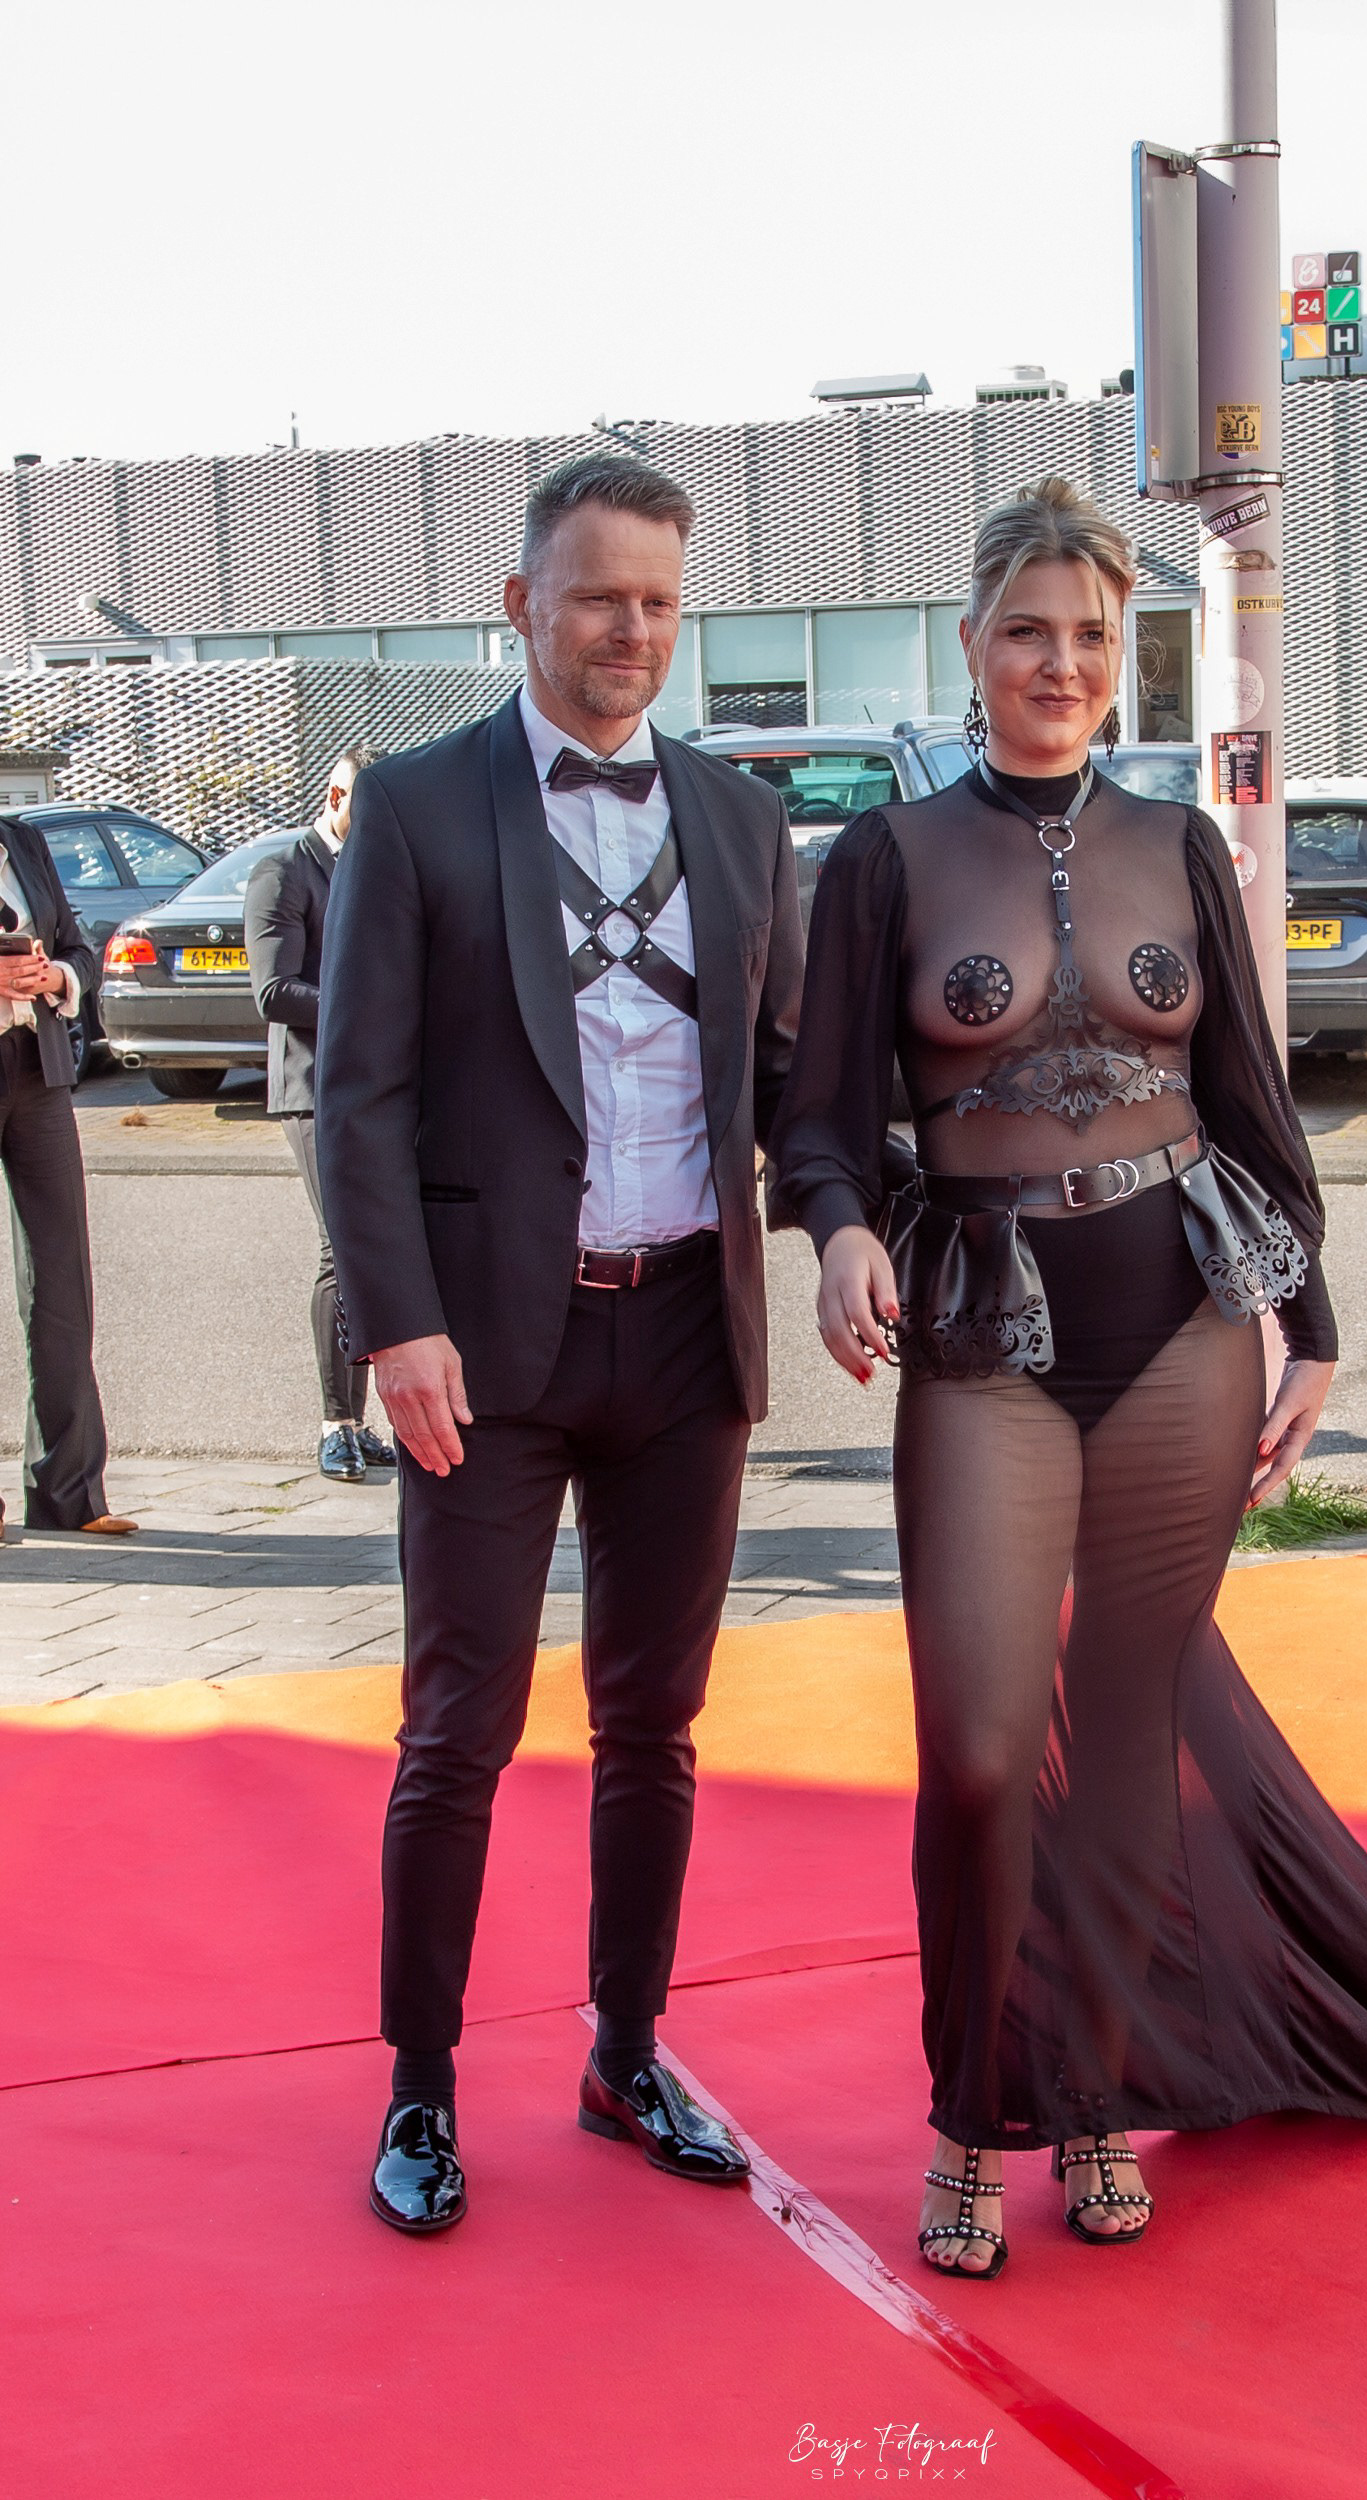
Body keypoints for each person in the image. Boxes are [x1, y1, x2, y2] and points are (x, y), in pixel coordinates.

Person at [769, 477, 1367, 2283]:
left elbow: (1248, 1105)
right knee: (979, 1754)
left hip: (1182, 1326)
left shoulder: (1179, 843)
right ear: (969, 643)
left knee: (1125, 1743)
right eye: (1027, 631)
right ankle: (969, 2112)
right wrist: (836, 1233)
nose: (1059, 664)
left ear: (1124, 656)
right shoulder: (881, 861)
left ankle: (1092, 2095)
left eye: (1092, 636)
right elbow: (814, 1123)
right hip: (981, 1340)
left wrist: (1313, 1326)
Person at [316, 453, 804, 2235]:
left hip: (683, 1333)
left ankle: (626, 2052)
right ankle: (421, 2087)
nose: (630, 631)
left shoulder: (742, 821)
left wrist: (858, 1223)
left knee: (653, 1724)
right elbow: (357, 1099)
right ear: (523, 605)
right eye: (598, 596)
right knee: (457, 1728)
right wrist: (399, 1326)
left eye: (660, 601)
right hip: (484, 1350)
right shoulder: (419, 807)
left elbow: (790, 1080)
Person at [244, 746, 397, 1483]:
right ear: (336, 797)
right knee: (342, 1248)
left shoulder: (376, 867)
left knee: (377, 1246)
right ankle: (337, 1423)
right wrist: (374, 1003)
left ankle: (366, 1423)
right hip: (313, 1087)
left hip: (380, 1086)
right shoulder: (284, 871)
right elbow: (274, 992)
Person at [0, 810, 135, 1540]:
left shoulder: (22, 839)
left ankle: (67, 1497)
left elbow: (80, 947)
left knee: (60, 1282)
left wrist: (55, 974)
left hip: (37, 1070)